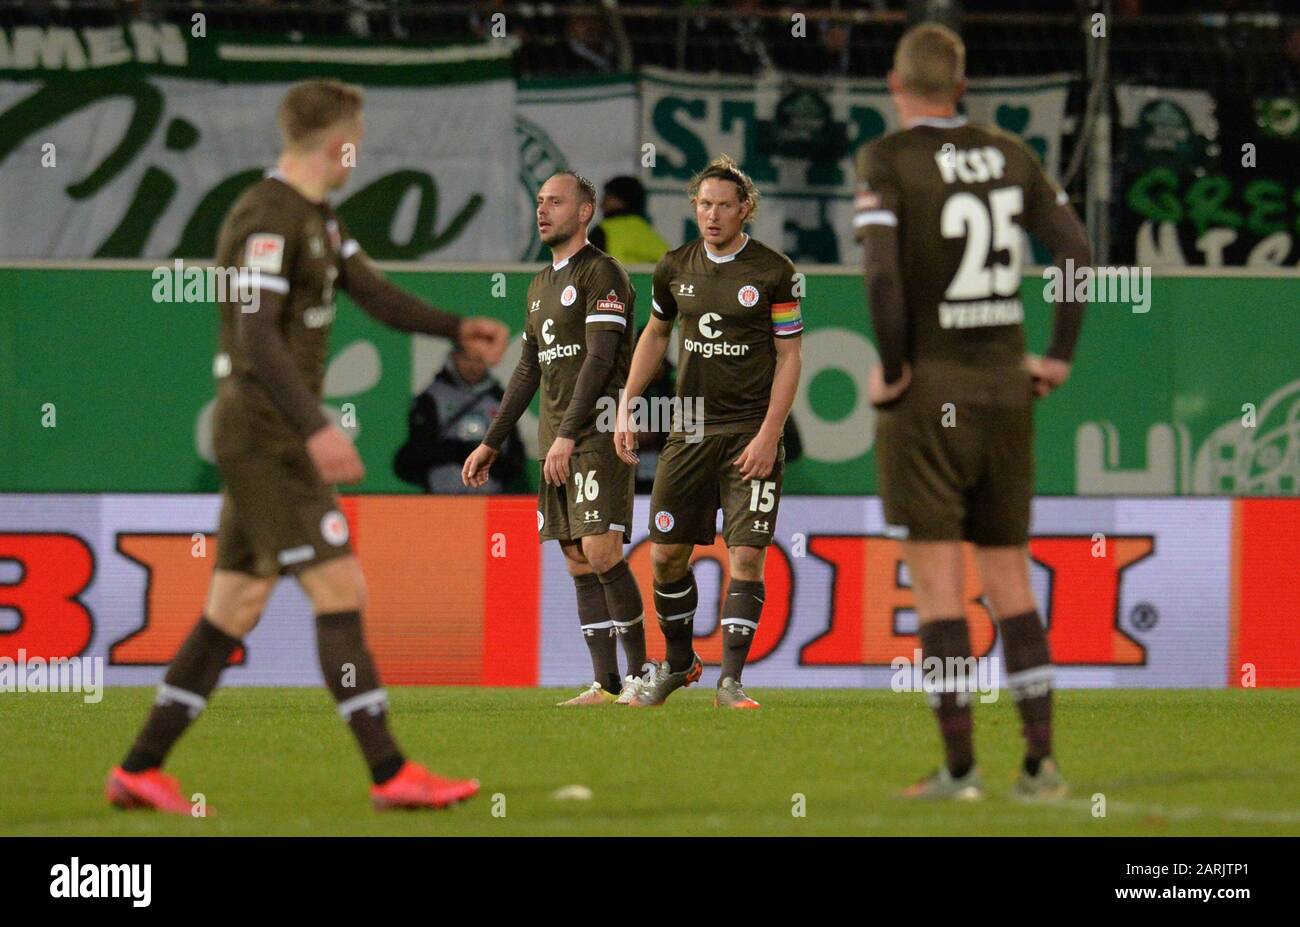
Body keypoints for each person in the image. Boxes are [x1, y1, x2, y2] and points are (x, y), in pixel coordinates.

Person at [106, 79, 508, 814]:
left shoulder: (319, 217)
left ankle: (139, 767)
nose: (360, 151)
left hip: (269, 429)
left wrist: (456, 328)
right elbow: (256, 333)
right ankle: (390, 772)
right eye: (356, 138)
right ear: (336, 143)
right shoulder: (266, 214)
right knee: (340, 589)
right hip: (265, 430)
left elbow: (376, 294)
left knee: (235, 603)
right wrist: (316, 425)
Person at [854, 23, 1089, 800]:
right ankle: (1042, 763)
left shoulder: (888, 159)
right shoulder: (1011, 153)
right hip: (1004, 391)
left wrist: (892, 370)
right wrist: (1056, 355)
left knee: (937, 585)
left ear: (896, 82)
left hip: (933, 396)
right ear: (960, 85)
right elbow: (1079, 255)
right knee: (1009, 578)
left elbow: (884, 281)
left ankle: (959, 769)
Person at [615, 154, 803, 710]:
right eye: (703, 204)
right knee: (666, 555)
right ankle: (677, 663)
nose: (712, 215)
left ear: (745, 209)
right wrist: (627, 403)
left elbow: (791, 357)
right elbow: (654, 334)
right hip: (689, 428)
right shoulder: (674, 266)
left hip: (749, 430)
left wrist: (770, 433)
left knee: (746, 556)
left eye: (724, 205)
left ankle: (731, 682)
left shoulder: (774, 272)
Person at [462, 171, 654, 706]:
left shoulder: (604, 273)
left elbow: (599, 358)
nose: (543, 210)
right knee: (574, 557)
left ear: (586, 210)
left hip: (595, 432)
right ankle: (605, 682)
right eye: (540, 201)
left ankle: (641, 678)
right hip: (555, 440)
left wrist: (569, 433)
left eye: (556, 201)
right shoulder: (540, 284)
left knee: (601, 548)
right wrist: (493, 442)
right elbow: (527, 370)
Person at [393, 345, 525, 494]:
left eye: (479, 360)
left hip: (489, 499)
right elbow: (419, 454)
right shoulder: (432, 398)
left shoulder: (500, 399)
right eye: (467, 359)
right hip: (442, 499)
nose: (473, 367)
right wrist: (461, 451)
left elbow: (514, 459)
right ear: (454, 357)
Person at [589, 176, 670, 266]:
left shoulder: (603, 231)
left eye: (607, 197)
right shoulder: (655, 239)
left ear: (620, 201)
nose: (601, 204)